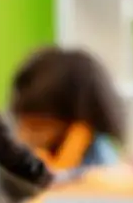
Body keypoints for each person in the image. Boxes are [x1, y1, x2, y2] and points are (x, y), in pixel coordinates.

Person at [7, 45, 124, 185]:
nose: (24, 135)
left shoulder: (101, 160)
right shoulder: (34, 153)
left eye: (38, 126)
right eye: (23, 123)